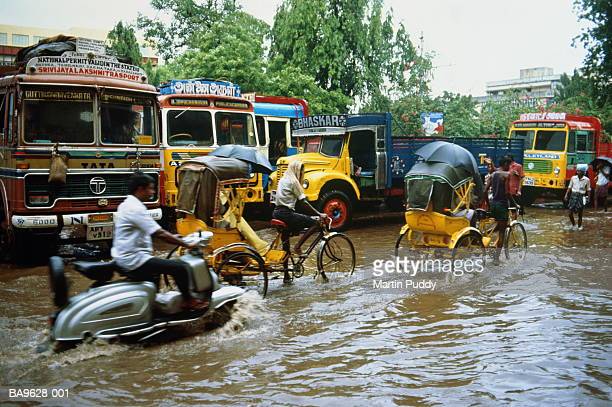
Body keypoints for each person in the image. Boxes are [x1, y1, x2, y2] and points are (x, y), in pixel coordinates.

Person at [111, 172, 208, 310]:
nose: (153, 192)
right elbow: (160, 233)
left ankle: (153, 306)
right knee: (181, 268)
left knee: (157, 271)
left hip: (125, 256)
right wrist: (187, 244)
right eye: (150, 188)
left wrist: (176, 238)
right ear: (140, 189)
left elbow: (150, 230)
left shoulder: (126, 204)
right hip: (134, 259)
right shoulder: (136, 208)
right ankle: (189, 301)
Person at [272, 160, 327, 256]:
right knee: (316, 223)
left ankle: (286, 270)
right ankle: (298, 247)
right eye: (301, 171)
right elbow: (304, 202)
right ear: (296, 170)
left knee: (286, 247)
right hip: (286, 214)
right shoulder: (293, 181)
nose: (302, 174)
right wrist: (319, 214)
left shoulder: (283, 179)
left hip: (276, 213)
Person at [484, 156, 511, 265]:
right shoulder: (506, 175)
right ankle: (496, 258)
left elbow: (484, 191)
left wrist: (488, 204)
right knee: (502, 233)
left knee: (497, 225)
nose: (509, 167)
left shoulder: (492, 175)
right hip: (502, 205)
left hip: (493, 204)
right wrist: (515, 203)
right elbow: (507, 193)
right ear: (505, 164)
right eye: (508, 165)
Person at [564, 164, 591, 230]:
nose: (578, 172)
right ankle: (574, 225)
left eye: (580, 171)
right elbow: (569, 187)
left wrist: (588, 198)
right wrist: (566, 195)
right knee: (570, 213)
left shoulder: (587, 180)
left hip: (581, 197)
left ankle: (579, 227)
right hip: (573, 196)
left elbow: (588, 190)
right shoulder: (573, 178)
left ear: (583, 172)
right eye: (578, 171)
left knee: (580, 214)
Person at [506, 154, 525, 220]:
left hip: (514, 190)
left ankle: (514, 222)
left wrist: (519, 190)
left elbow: (521, 178)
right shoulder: (506, 166)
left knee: (513, 208)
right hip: (507, 191)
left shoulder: (518, 166)